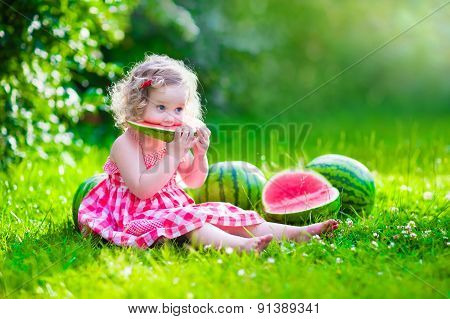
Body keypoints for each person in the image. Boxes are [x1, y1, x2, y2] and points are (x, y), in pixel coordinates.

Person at [77, 54, 339, 253]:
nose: (171, 118)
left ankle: (299, 233)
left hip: (174, 210)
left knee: (224, 212)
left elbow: (194, 181)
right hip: (133, 218)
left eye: (178, 109)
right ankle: (240, 247)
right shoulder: (125, 144)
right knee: (193, 223)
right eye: (161, 107)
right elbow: (142, 190)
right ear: (138, 105)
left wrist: (199, 155)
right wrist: (173, 153)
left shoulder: (172, 139)